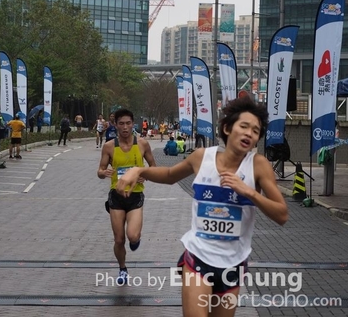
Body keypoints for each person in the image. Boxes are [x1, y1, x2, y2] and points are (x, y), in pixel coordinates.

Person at [117, 96, 288, 317]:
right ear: (227, 128)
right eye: (244, 126)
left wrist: (249, 192)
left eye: (255, 131)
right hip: (198, 257)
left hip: (233, 263)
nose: (249, 134)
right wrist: (139, 170)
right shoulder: (201, 157)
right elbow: (169, 175)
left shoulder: (258, 165)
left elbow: (282, 214)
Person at [97, 108, 156, 286]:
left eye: (128, 123)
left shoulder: (143, 144)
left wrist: (145, 174)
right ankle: (122, 268)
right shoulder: (109, 146)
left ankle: (135, 240)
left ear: (133, 124)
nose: (125, 127)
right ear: (115, 125)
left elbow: (153, 167)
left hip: (135, 195)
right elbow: (100, 171)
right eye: (121, 124)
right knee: (119, 239)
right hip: (116, 197)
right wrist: (104, 173)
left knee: (133, 236)